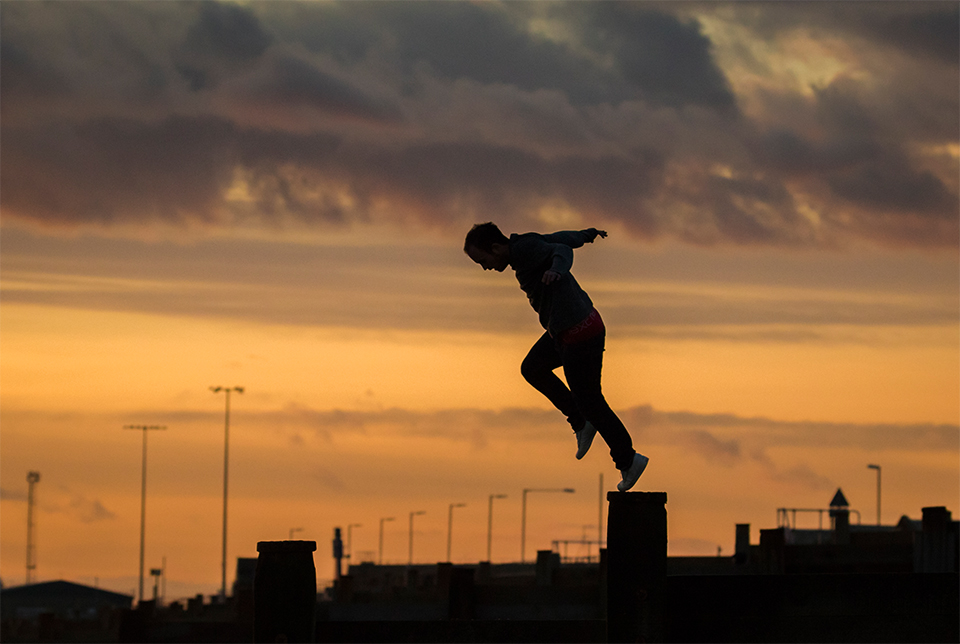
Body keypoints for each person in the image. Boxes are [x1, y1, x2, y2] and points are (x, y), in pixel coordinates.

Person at [464, 222, 648, 492]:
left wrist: (557, 270)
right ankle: (580, 421)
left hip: (579, 334)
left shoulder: (524, 250)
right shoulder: (524, 245)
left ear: (495, 248)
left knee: (591, 402)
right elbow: (558, 238)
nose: (485, 268)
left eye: (483, 261)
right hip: (565, 332)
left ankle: (628, 460)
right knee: (532, 368)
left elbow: (561, 250)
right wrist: (585, 235)